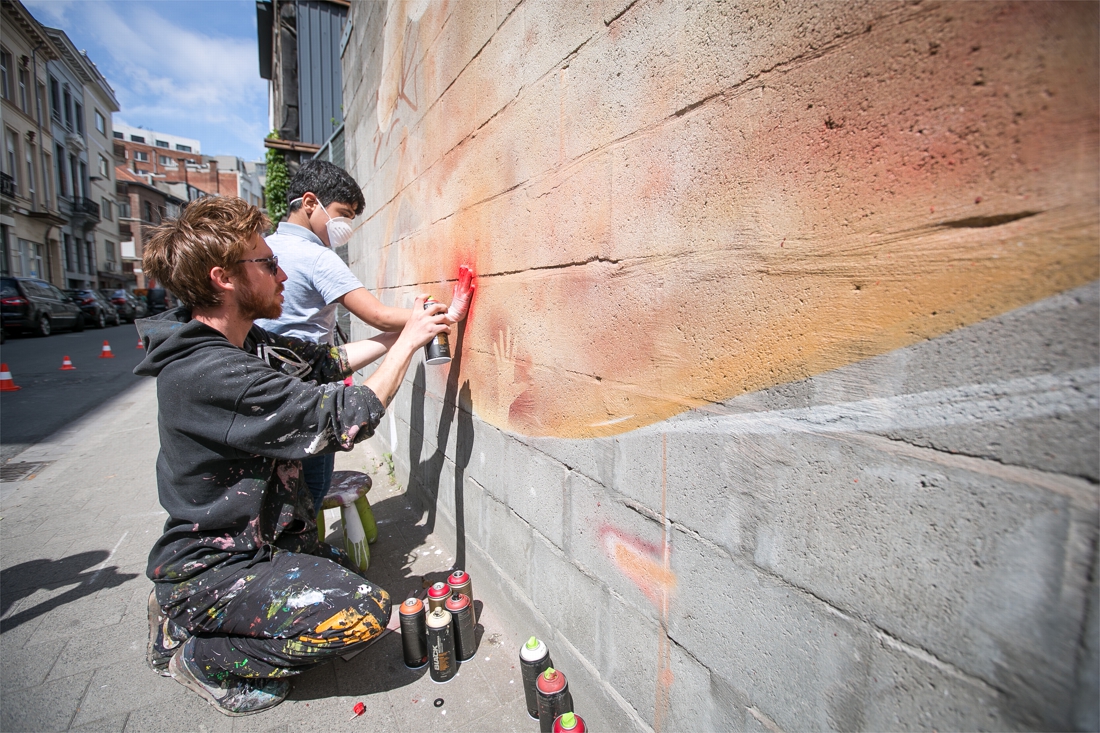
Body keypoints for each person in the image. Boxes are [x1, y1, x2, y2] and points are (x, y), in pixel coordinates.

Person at [134, 196, 451, 716]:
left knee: (343, 579)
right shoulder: (210, 373)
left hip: (260, 543)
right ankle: (201, 653)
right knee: (363, 614)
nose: (282, 271)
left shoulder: (245, 343)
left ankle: (197, 615)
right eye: (267, 262)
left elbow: (325, 363)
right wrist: (408, 345)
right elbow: (348, 413)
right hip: (219, 564)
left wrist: (403, 331)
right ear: (224, 279)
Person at [255, 160, 474, 513]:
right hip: (310, 389)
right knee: (310, 491)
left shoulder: (266, 249)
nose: (347, 227)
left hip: (272, 387)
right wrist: (440, 315)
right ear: (310, 203)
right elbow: (377, 315)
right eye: (343, 213)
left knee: (280, 497)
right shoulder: (317, 258)